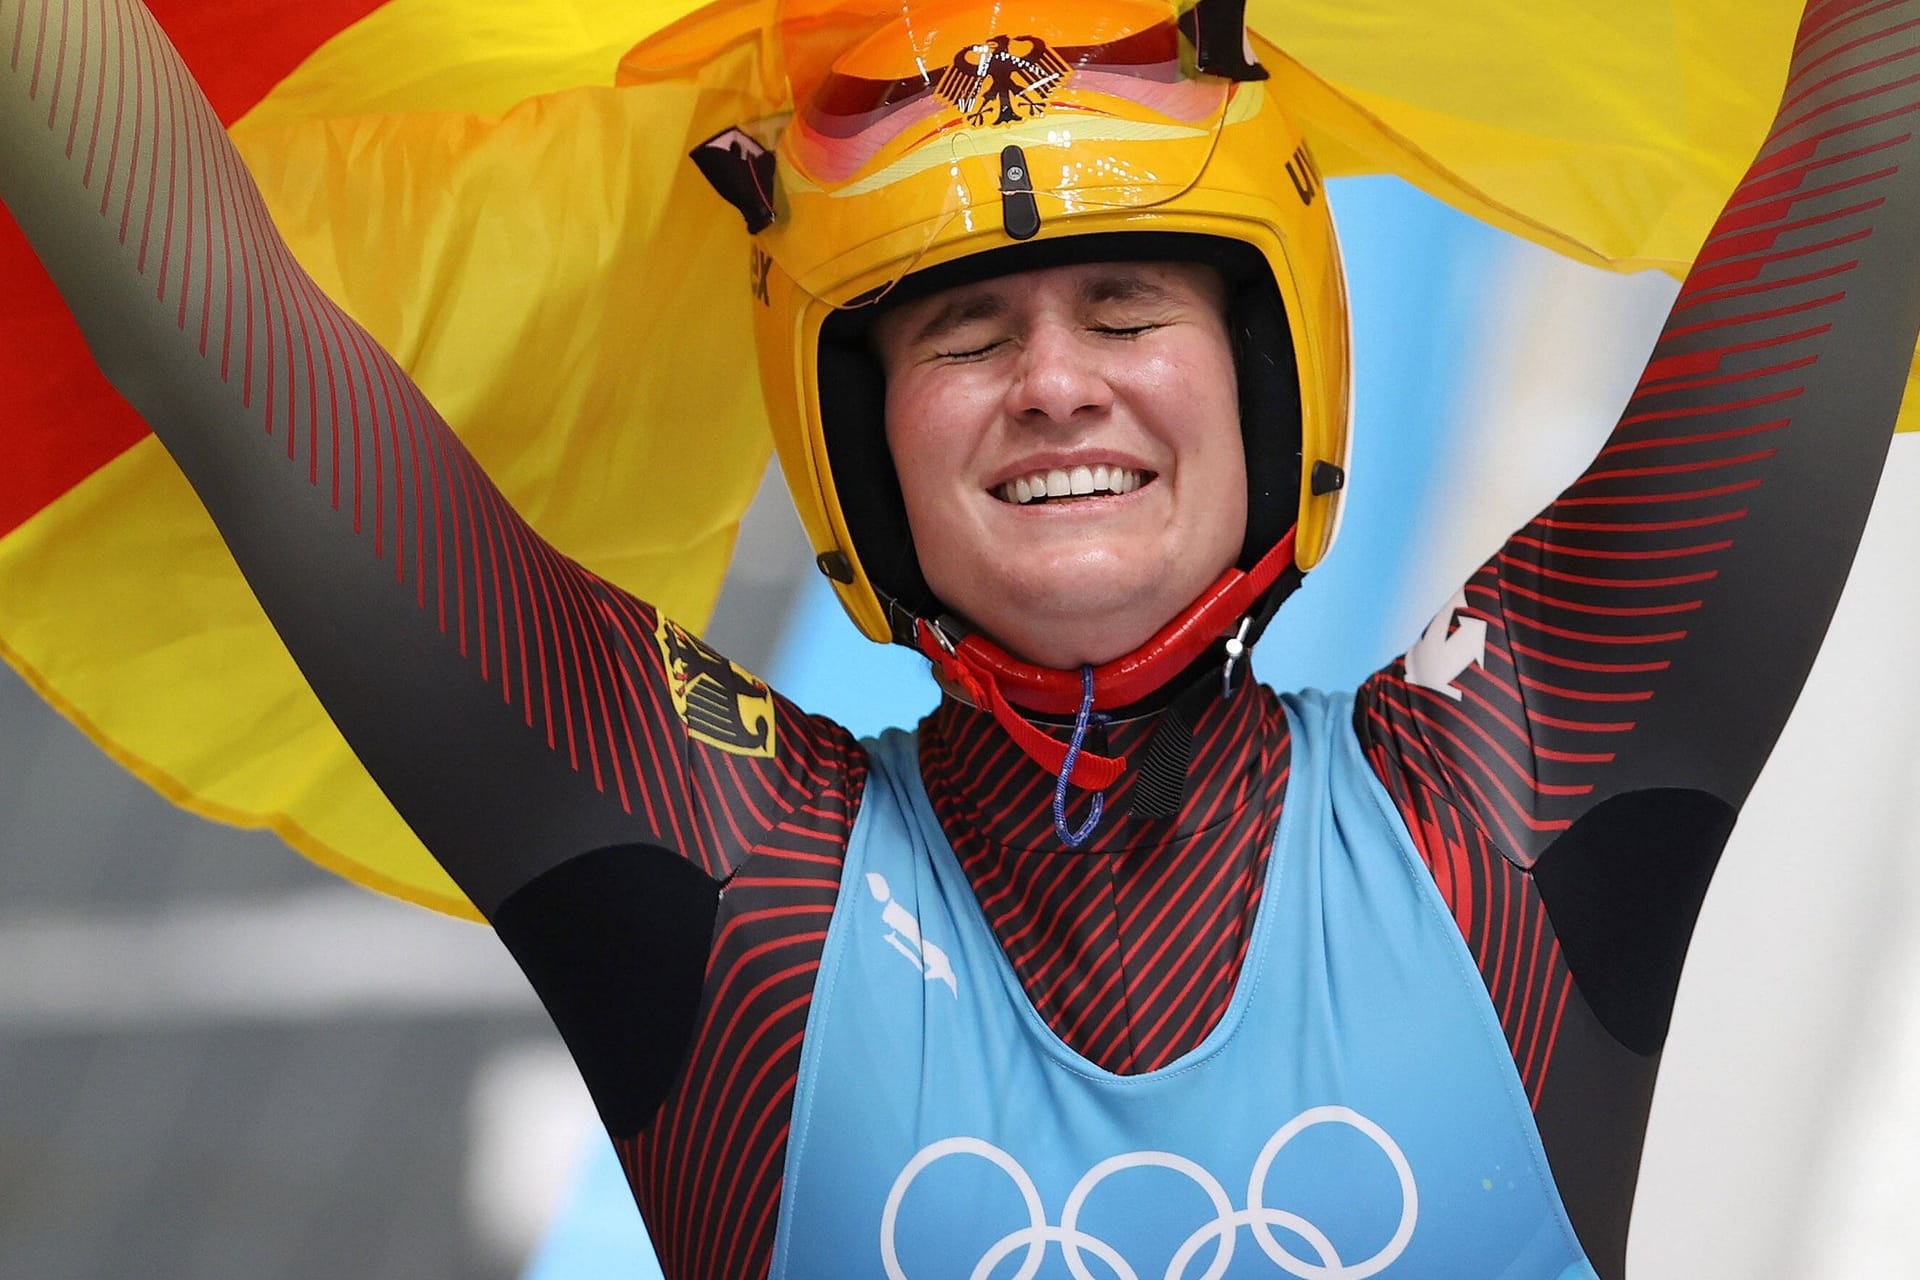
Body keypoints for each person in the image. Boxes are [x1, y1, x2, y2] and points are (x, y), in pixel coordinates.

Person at [3, 0, 1917, 1276]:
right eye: (963, 335)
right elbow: (219, 322)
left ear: (1274, 373)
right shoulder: (725, 882)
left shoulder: (1520, 794)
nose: (1057, 386)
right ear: (853, 445)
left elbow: (1872, 121)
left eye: (1125, 300)